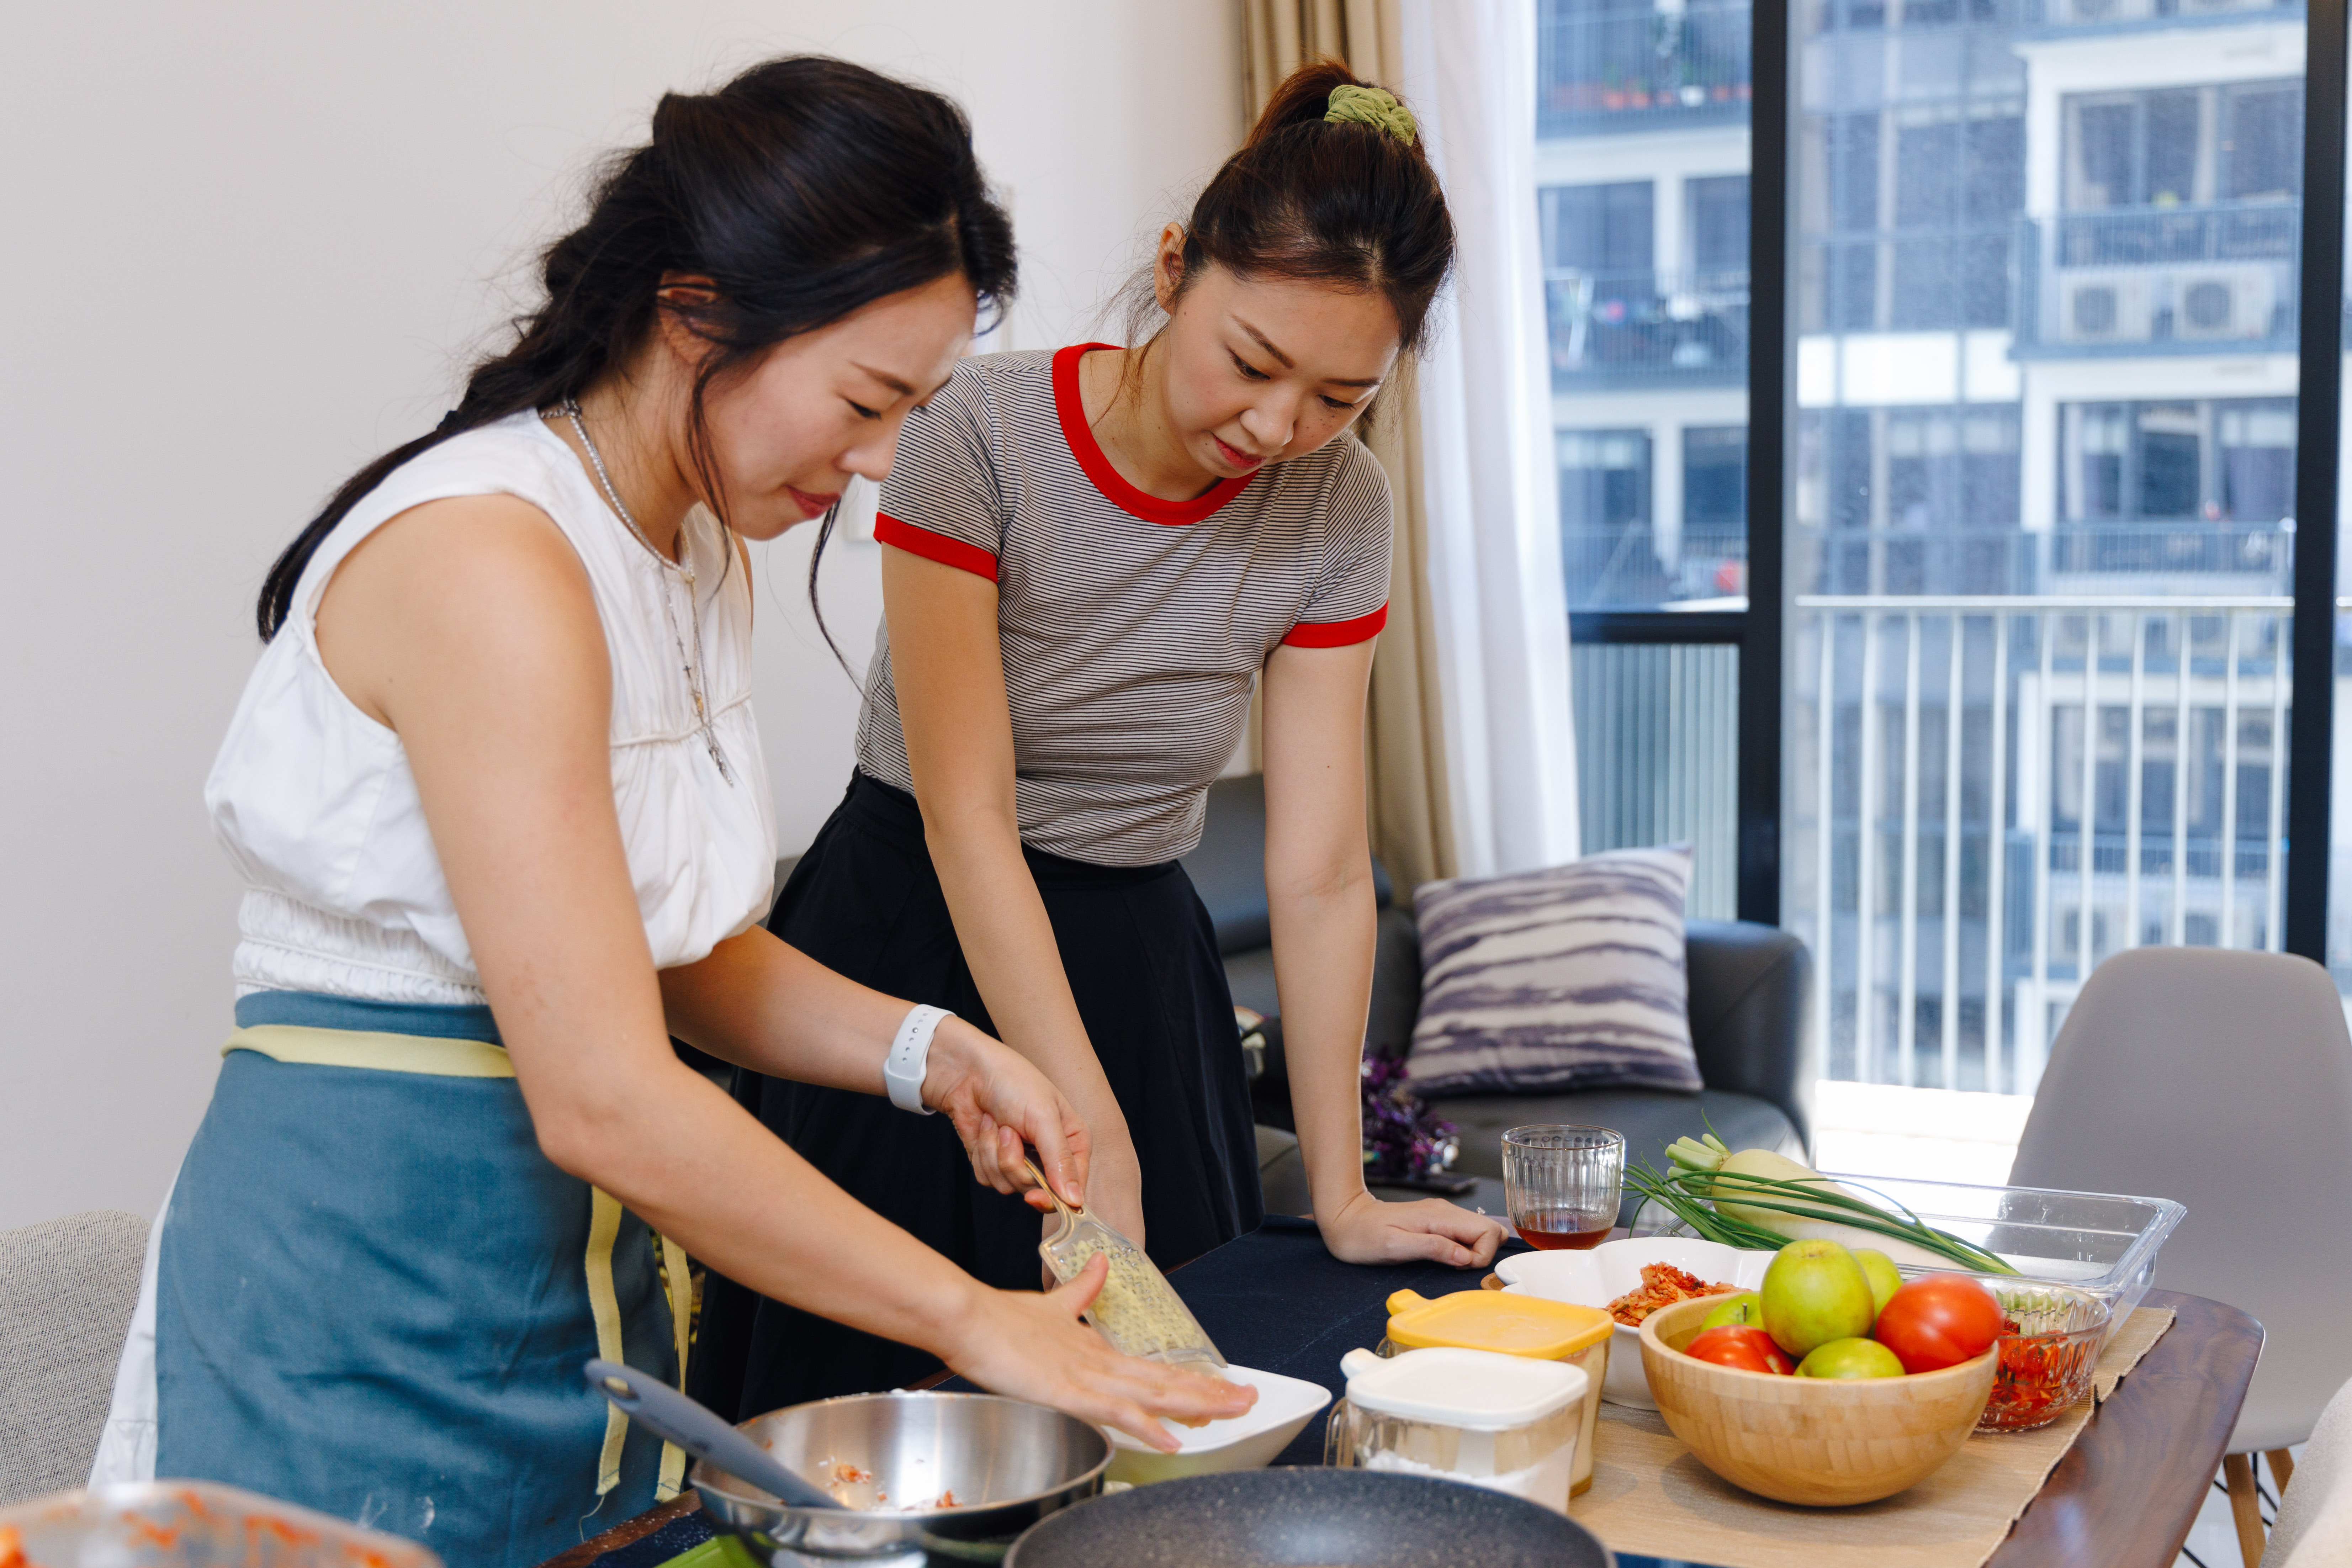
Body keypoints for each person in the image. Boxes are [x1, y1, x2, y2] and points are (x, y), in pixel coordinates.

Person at [89, 57, 1250, 1568]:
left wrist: (934, 1052)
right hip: (366, 1290)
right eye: (865, 399)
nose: (883, 460)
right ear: (698, 310)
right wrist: (977, 1320)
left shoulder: (690, 547)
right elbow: (603, 1089)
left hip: (561, 1283)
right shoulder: (494, 564)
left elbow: (662, 946)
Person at [695, 61, 1506, 1420]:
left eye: (1336, 397)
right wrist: (1084, 1112)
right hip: (916, 935)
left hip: (1136, 954)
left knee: (1166, 1417)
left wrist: (1343, 1185)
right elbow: (969, 813)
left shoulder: (1337, 508)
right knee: (895, 1420)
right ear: (1177, 268)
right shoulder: (983, 435)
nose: (1274, 428)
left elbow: (1316, 870)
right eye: (1249, 361)